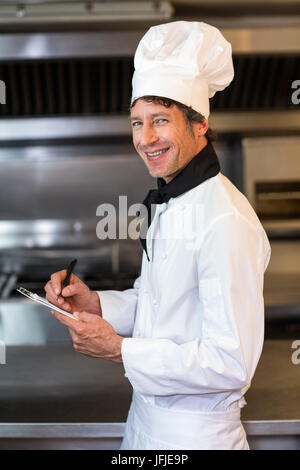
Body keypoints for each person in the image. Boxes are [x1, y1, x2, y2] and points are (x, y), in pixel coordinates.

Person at [44, 21, 271, 450]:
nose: (145, 139)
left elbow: (231, 363)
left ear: (199, 123)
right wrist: (97, 304)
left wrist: (120, 350)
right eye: (136, 123)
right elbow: (159, 303)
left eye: (160, 121)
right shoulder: (172, 202)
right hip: (144, 427)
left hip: (196, 439)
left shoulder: (226, 220)